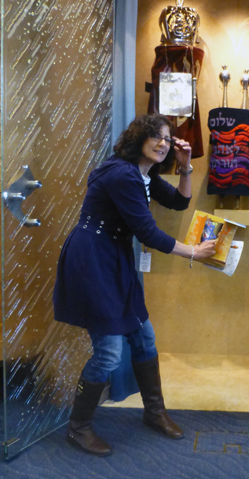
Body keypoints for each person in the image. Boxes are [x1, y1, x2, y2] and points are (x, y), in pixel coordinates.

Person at [53, 114, 216, 457]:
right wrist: (194, 253)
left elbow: (178, 202)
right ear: (138, 138)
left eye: (168, 139)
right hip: (94, 261)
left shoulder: (143, 174)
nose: (163, 143)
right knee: (110, 351)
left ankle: (154, 412)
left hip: (115, 258)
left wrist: (185, 167)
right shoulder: (122, 174)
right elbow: (147, 232)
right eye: (156, 136)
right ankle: (78, 427)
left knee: (144, 337)